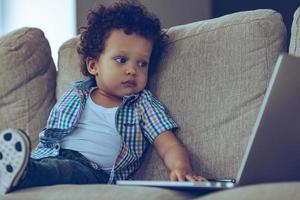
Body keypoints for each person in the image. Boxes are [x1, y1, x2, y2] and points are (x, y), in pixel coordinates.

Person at [0, 0, 206, 195]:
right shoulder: (75, 94)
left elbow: (169, 145)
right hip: (52, 157)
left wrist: (181, 168)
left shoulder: (143, 105)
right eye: (121, 60)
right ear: (93, 66)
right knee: (48, 164)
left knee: (63, 170)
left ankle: (23, 173)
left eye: (142, 63)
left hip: (93, 172)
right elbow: (49, 137)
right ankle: (19, 168)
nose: (132, 70)